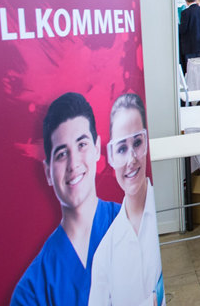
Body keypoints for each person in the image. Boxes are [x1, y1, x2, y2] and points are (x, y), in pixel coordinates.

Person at [11, 93, 122, 306]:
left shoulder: (132, 224)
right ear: (48, 172)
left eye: (82, 145)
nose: (73, 164)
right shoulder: (32, 291)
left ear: (97, 149)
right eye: (62, 154)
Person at [89, 94, 164, 306]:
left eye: (137, 142)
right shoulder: (105, 254)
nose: (131, 159)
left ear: (147, 142)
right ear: (111, 157)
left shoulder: (167, 217)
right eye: (122, 149)